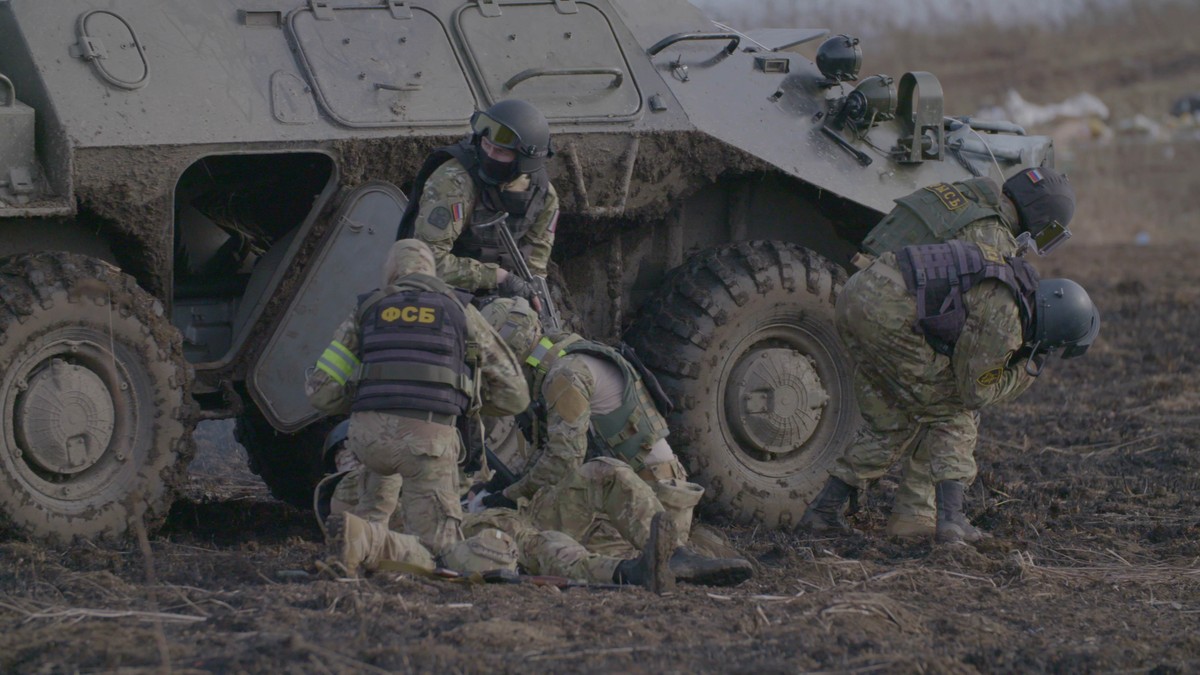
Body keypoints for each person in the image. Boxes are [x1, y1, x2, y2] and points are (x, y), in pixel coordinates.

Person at [799, 239, 1099, 544]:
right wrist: (1022, 373)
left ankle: (823, 512)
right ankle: (952, 521)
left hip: (857, 294)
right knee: (953, 411)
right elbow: (975, 393)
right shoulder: (1007, 319)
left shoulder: (1012, 281)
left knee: (892, 421)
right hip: (888, 314)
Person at [855, 167, 1078, 537]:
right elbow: (978, 335)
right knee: (954, 403)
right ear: (1040, 219)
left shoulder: (969, 194)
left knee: (919, 400)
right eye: (1048, 232)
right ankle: (920, 514)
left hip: (867, 288)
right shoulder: (991, 237)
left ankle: (885, 508)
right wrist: (1019, 370)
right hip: (891, 312)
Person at [305, 239, 529, 557]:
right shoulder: (459, 309)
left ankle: (365, 540)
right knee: (439, 549)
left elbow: (321, 392)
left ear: (391, 273)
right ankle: (396, 551)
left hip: (368, 440)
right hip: (428, 442)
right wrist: (463, 402)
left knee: (376, 500)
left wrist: (370, 400)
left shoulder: (367, 309)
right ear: (433, 271)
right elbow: (515, 395)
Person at [474, 298, 700, 538]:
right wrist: (500, 487)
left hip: (649, 508)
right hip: (640, 496)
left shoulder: (564, 375)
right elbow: (551, 452)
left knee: (526, 538)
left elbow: (563, 460)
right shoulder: (561, 356)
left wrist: (508, 496)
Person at [398, 98, 559, 308]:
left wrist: (535, 298)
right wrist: (497, 276)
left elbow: (535, 265)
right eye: (486, 145)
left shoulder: (543, 195)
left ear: (524, 160)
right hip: (441, 295)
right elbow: (425, 262)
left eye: (500, 151)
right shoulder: (454, 183)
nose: (489, 155)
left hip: (503, 299)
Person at [321, 504, 676, 591]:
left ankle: (362, 539)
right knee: (536, 545)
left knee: (538, 543)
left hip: (478, 516)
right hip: (471, 525)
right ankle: (628, 572)